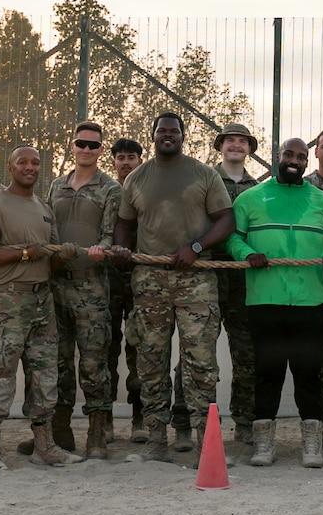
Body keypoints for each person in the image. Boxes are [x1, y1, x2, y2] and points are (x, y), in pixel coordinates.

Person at [113, 114, 234, 462]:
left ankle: (204, 440)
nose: (168, 136)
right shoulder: (136, 178)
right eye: (162, 131)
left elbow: (226, 219)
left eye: (174, 131)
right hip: (150, 277)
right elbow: (124, 224)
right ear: (152, 136)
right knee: (151, 360)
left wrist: (195, 248)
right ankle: (156, 440)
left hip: (195, 278)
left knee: (200, 362)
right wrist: (122, 248)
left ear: (183, 135)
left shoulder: (204, 174)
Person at [227, 137, 323, 468]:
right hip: (265, 301)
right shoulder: (251, 198)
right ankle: (264, 443)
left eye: (301, 156)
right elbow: (234, 237)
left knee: (309, 373)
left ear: (307, 163)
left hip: (312, 302)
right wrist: (248, 254)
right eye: (289, 154)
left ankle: (312, 443)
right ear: (277, 157)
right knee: (268, 372)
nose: (295, 160)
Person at [0, 144, 82, 469]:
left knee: (45, 375)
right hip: (3, 300)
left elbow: (50, 254)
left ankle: (44, 447)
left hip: (41, 301)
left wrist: (64, 253)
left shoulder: (44, 208)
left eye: (34, 162)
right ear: (10, 166)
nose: (29, 167)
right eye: (22, 162)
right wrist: (22, 254)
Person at [41, 121, 122, 459]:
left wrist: (100, 249)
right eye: (81, 144)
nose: (86, 150)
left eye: (93, 145)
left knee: (93, 364)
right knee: (57, 364)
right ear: (71, 146)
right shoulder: (57, 186)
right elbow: (47, 227)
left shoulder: (111, 189)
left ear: (101, 150)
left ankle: (97, 436)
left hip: (91, 288)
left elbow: (110, 234)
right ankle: (60, 435)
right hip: (56, 286)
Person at [210, 122, 264, 447]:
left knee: (247, 355)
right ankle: (194, 419)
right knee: (198, 353)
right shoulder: (204, 180)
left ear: (249, 149)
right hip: (207, 277)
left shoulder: (258, 189)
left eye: (241, 141)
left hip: (245, 282)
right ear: (221, 146)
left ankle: (244, 421)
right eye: (230, 140)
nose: (235, 145)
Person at [104, 136, 147, 443]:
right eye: (120, 157)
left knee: (140, 353)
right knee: (105, 351)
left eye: (131, 157)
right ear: (114, 162)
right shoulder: (106, 191)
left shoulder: (147, 191)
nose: (126, 162)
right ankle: (104, 421)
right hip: (107, 281)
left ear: (139, 161)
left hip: (140, 280)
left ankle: (139, 419)